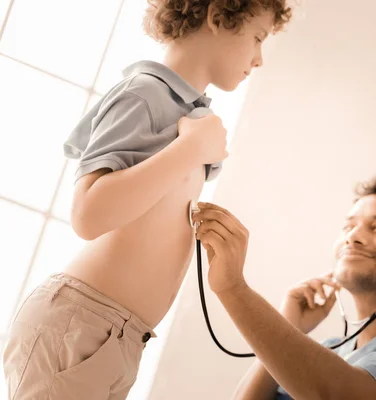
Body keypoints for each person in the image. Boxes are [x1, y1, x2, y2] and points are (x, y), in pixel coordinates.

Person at [2, 1, 292, 399]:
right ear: (219, 17)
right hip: (84, 327)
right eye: (258, 38)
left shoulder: (186, 112)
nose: (258, 58)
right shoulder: (144, 93)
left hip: (117, 336)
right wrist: (188, 152)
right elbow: (88, 215)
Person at [193, 176, 376, 400]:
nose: (353, 237)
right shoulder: (330, 353)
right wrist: (289, 324)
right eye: (349, 226)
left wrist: (232, 287)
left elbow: (334, 395)